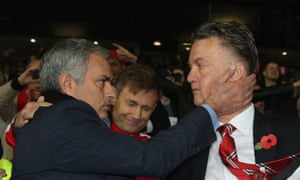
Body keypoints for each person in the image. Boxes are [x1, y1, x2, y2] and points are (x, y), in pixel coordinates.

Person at [11, 38, 255, 179]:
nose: (110, 92)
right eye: (102, 82)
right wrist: (212, 108)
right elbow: (151, 158)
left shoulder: (42, 119)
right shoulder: (65, 117)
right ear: (68, 83)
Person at [166, 21, 300, 180]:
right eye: (190, 68)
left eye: (200, 66)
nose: (190, 77)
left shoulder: (293, 136)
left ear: (235, 73)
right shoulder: (182, 144)